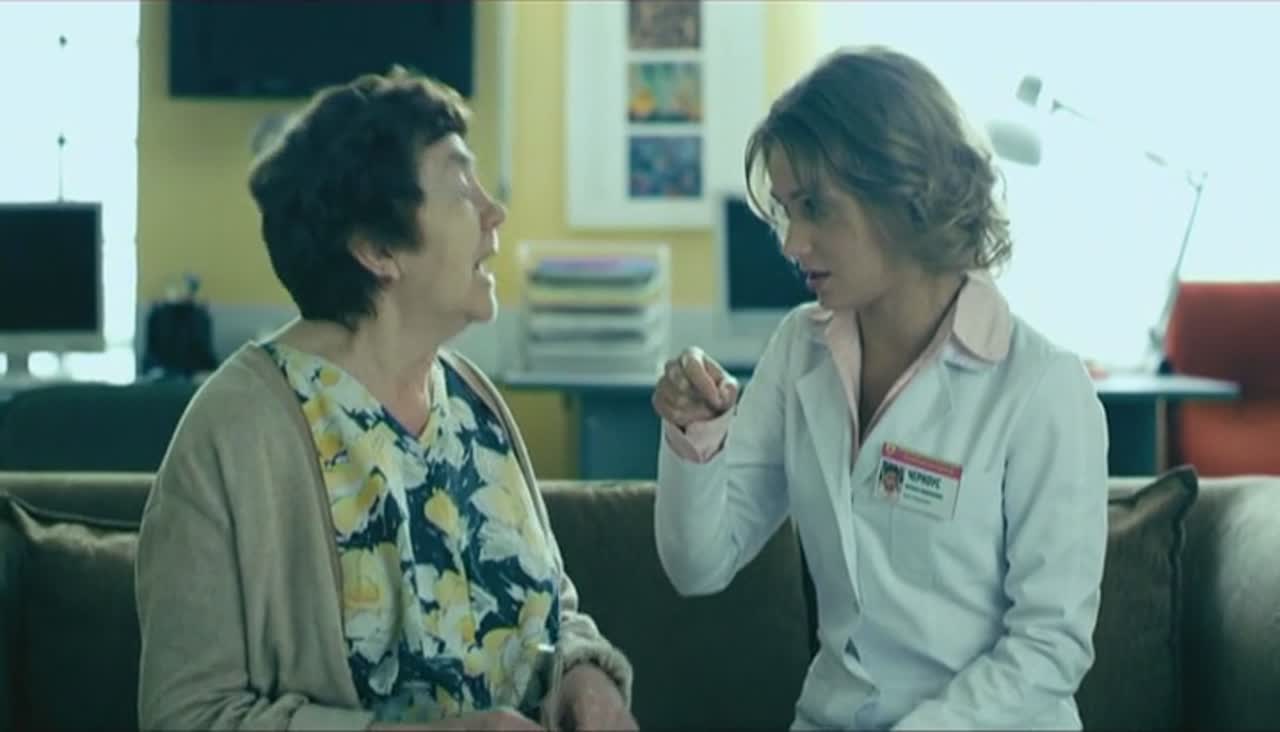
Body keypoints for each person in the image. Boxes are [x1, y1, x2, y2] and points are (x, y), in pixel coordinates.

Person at [136, 68, 637, 732]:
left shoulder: (473, 403)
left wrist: (583, 673)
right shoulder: (235, 430)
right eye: (462, 189)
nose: (495, 213)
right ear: (377, 249)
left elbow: (545, 609)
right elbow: (186, 715)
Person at [652, 46, 1108, 730]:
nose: (791, 243)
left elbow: (1049, 647)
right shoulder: (799, 349)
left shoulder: (1042, 389)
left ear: (904, 194)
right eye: (786, 210)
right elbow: (699, 565)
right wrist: (697, 435)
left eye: (815, 208)